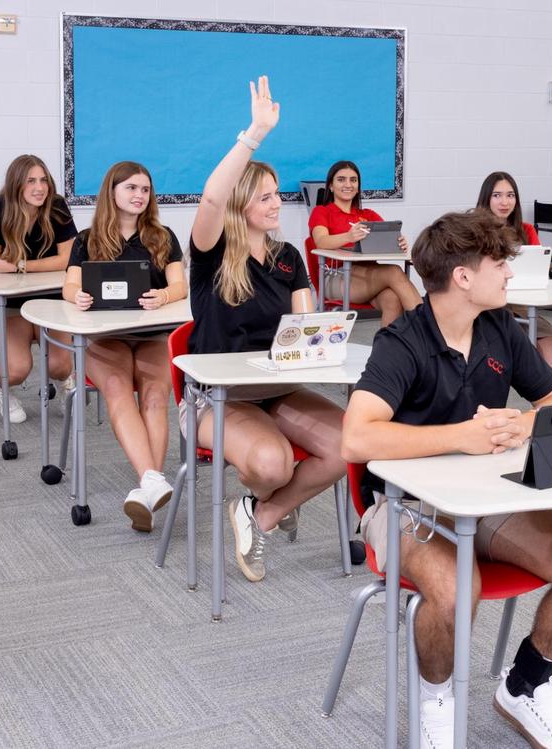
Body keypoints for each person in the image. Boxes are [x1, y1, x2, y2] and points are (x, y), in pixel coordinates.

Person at [344, 209, 552, 749]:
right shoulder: (402, 341)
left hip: (485, 501)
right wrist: (460, 435)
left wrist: (523, 423)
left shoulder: (500, 329)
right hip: (403, 507)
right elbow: (357, 438)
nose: (509, 274)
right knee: (455, 586)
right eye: (499, 264)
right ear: (463, 277)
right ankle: (435, 698)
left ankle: (526, 686)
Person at [189, 76, 346, 583]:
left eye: (277, 194)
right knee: (276, 466)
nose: (277, 204)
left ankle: (263, 514)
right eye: (264, 197)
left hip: (278, 387)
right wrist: (254, 135)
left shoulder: (287, 257)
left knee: (353, 442)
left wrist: (321, 340)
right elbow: (211, 199)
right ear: (241, 206)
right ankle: (276, 492)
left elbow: (308, 325)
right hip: (217, 397)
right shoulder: (211, 253)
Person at [62, 161, 187, 532]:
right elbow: (69, 286)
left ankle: (148, 487)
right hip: (105, 337)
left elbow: (180, 285)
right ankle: (153, 481)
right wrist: (78, 297)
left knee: (153, 394)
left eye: (145, 190)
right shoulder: (87, 239)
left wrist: (164, 295)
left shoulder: (162, 237)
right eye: (131, 188)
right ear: (112, 193)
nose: (139, 196)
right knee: (116, 388)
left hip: (151, 334)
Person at [0, 154, 78, 424]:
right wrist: (24, 268)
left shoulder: (56, 206)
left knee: (59, 365)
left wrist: (18, 266)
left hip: (52, 300)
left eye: (44, 180)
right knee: (19, 369)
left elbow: (68, 259)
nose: (40, 187)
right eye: (31, 181)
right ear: (16, 185)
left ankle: (67, 381)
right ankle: (1, 389)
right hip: (10, 304)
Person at [475, 170, 552, 381]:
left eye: (510, 195)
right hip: (487, 307)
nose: (505, 202)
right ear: (486, 198)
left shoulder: (525, 230)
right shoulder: (474, 230)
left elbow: (538, 269)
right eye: (497, 195)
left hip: (523, 305)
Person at [307, 160, 422, 325]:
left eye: (353, 180)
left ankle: (388, 349)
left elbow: (388, 239)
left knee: (392, 299)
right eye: (341, 179)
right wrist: (349, 236)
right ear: (331, 186)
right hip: (336, 277)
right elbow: (321, 241)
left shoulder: (368, 215)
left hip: (369, 275)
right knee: (394, 272)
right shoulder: (322, 212)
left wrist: (399, 242)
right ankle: (430, 329)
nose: (348, 184)